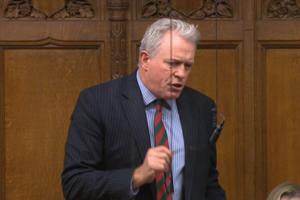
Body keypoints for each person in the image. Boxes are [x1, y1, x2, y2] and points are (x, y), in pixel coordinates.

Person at [62, 18, 226, 200]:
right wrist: (137, 176)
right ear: (145, 59)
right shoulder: (97, 102)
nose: (181, 73)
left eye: (187, 65)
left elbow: (208, 183)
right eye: (173, 63)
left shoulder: (201, 107)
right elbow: (75, 184)